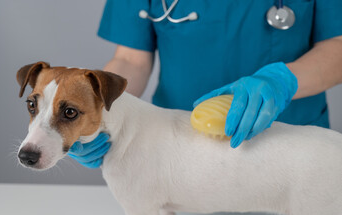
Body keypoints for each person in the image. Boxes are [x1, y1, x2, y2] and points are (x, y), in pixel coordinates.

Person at [68, 0, 342, 168]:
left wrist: (281, 82)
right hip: (176, 156)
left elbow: (337, 47)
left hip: (293, 148)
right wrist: (97, 113)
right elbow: (131, 60)